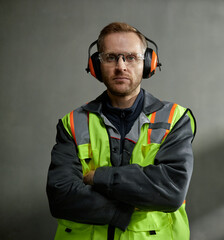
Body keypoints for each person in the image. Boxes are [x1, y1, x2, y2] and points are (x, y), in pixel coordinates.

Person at [46, 22, 196, 240]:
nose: (121, 66)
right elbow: (60, 196)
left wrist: (99, 177)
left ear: (147, 63)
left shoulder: (175, 119)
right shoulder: (73, 123)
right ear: (96, 65)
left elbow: (171, 191)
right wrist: (125, 209)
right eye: (111, 57)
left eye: (131, 57)